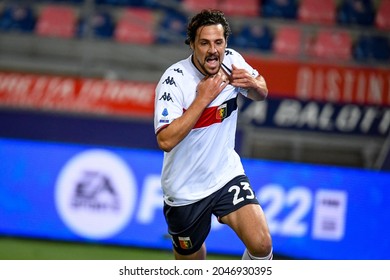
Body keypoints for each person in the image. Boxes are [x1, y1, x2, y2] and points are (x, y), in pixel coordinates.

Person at [154, 9, 273, 260]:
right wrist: (203, 98)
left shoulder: (232, 61)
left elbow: (262, 91)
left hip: (225, 175)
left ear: (225, 44)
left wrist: (253, 85)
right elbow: (165, 140)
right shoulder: (173, 81)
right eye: (205, 43)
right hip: (184, 190)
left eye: (218, 42)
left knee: (261, 245)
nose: (213, 50)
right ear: (192, 45)